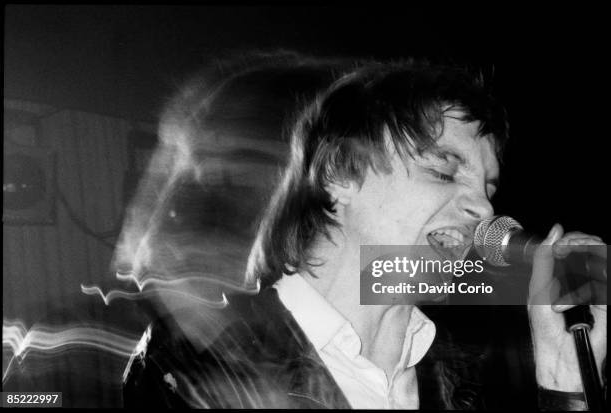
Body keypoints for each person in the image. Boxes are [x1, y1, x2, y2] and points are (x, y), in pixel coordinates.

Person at [123, 56, 607, 409]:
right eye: (443, 171)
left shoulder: (468, 381)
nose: (483, 206)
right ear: (340, 175)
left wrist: (565, 378)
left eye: (488, 187)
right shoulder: (200, 360)